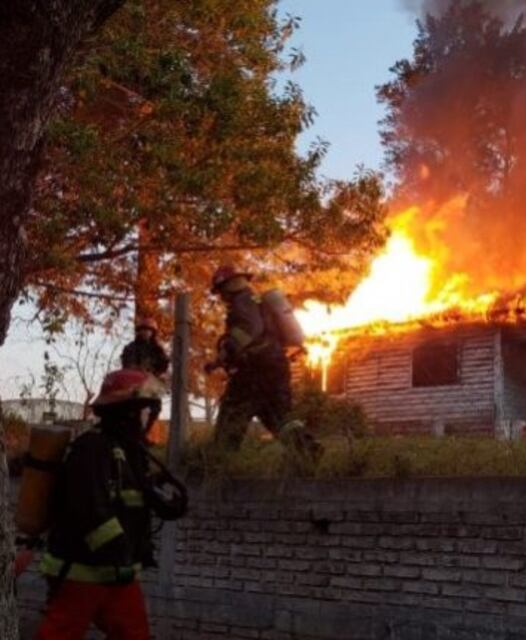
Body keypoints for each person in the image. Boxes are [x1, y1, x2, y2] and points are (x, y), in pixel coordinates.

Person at [35, 369, 187, 640]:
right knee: (60, 635)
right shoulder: (92, 449)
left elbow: (135, 497)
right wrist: (120, 553)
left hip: (115, 571)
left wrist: (164, 503)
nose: (150, 419)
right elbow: (89, 510)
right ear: (129, 411)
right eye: (146, 411)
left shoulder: (129, 453)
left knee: (134, 635)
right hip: (82, 570)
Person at [208, 265, 318, 457]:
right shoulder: (257, 301)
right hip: (275, 367)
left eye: (221, 291)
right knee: (280, 417)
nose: (221, 297)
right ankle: (307, 453)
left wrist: (230, 348)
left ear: (228, 286)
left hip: (253, 371)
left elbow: (251, 329)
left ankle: (220, 463)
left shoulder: (242, 302)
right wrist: (220, 360)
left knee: (232, 414)